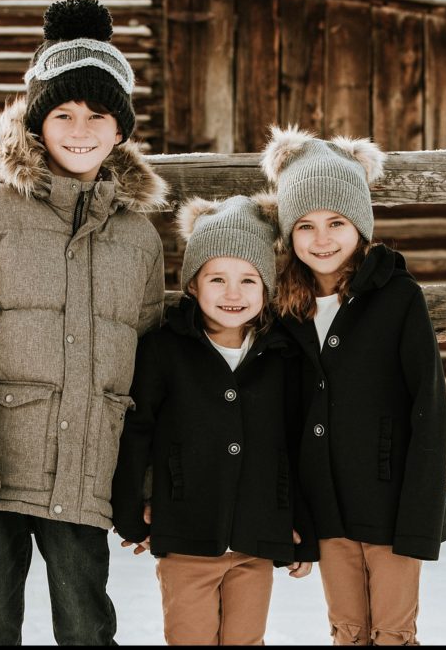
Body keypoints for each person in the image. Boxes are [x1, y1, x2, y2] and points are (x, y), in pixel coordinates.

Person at [0, 0, 167, 645]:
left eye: (97, 114)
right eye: (63, 112)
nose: (79, 128)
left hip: (86, 471)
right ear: (37, 121)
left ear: (120, 130)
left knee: (88, 628)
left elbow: (151, 367)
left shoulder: (138, 237)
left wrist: (142, 483)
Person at [262, 125, 446, 646]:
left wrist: (421, 516)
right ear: (289, 234)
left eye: (336, 222)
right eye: (304, 225)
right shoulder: (287, 313)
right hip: (326, 508)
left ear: (361, 226)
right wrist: (292, 516)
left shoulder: (397, 298)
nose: (321, 239)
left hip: (390, 503)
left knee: (392, 633)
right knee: (347, 631)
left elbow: (429, 409)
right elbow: (283, 421)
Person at [111, 194, 316, 645]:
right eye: (217, 279)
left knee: (246, 639)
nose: (233, 294)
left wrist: (302, 526)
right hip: (187, 536)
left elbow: (295, 445)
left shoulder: (281, 356)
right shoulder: (165, 350)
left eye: (248, 280)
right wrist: (129, 510)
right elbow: (138, 430)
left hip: (256, 539)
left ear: (267, 289)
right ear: (192, 285)